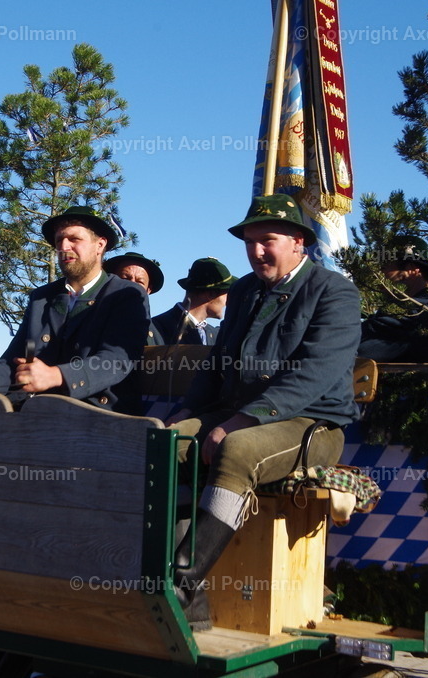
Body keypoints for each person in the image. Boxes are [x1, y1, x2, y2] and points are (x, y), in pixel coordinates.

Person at [164, 194, 361, 629]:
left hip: (313, 425)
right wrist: (187, 409)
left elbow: (315, 373)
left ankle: (180, 583)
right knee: (163, 443)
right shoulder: (244, 292)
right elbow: (217, 362)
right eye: (249, 242)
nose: (255, 251)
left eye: (266, 240)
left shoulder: (334, 292)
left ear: (299, 243)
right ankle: (189, 604)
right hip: (239, 412)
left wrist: (242, 419)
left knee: (237, 448)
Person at [0, 206, 150, 413]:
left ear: (99, 245)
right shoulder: (41, 298)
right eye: (59, 241)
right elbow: (14, 359)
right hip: (38, 415)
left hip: (99, 418)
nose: (64, 247)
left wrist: (56, 376)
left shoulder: (125, 295)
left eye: (74, 239)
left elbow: (117, 360)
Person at [358, 235, 428, 363]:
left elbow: (347, 347)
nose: (377, 274)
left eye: (383, 267)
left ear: (410, 270)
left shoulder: (407, 311)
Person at [152, 257, 237, 345]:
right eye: (227, 294)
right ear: (211, 294)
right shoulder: (156, 328)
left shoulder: (216, 335)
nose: (228, 302)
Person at [103, 251, 164, 346]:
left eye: (140, 282)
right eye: (125, 279)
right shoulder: (92, 320)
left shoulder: (158, 334)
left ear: (149, 290)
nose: (131, 286)